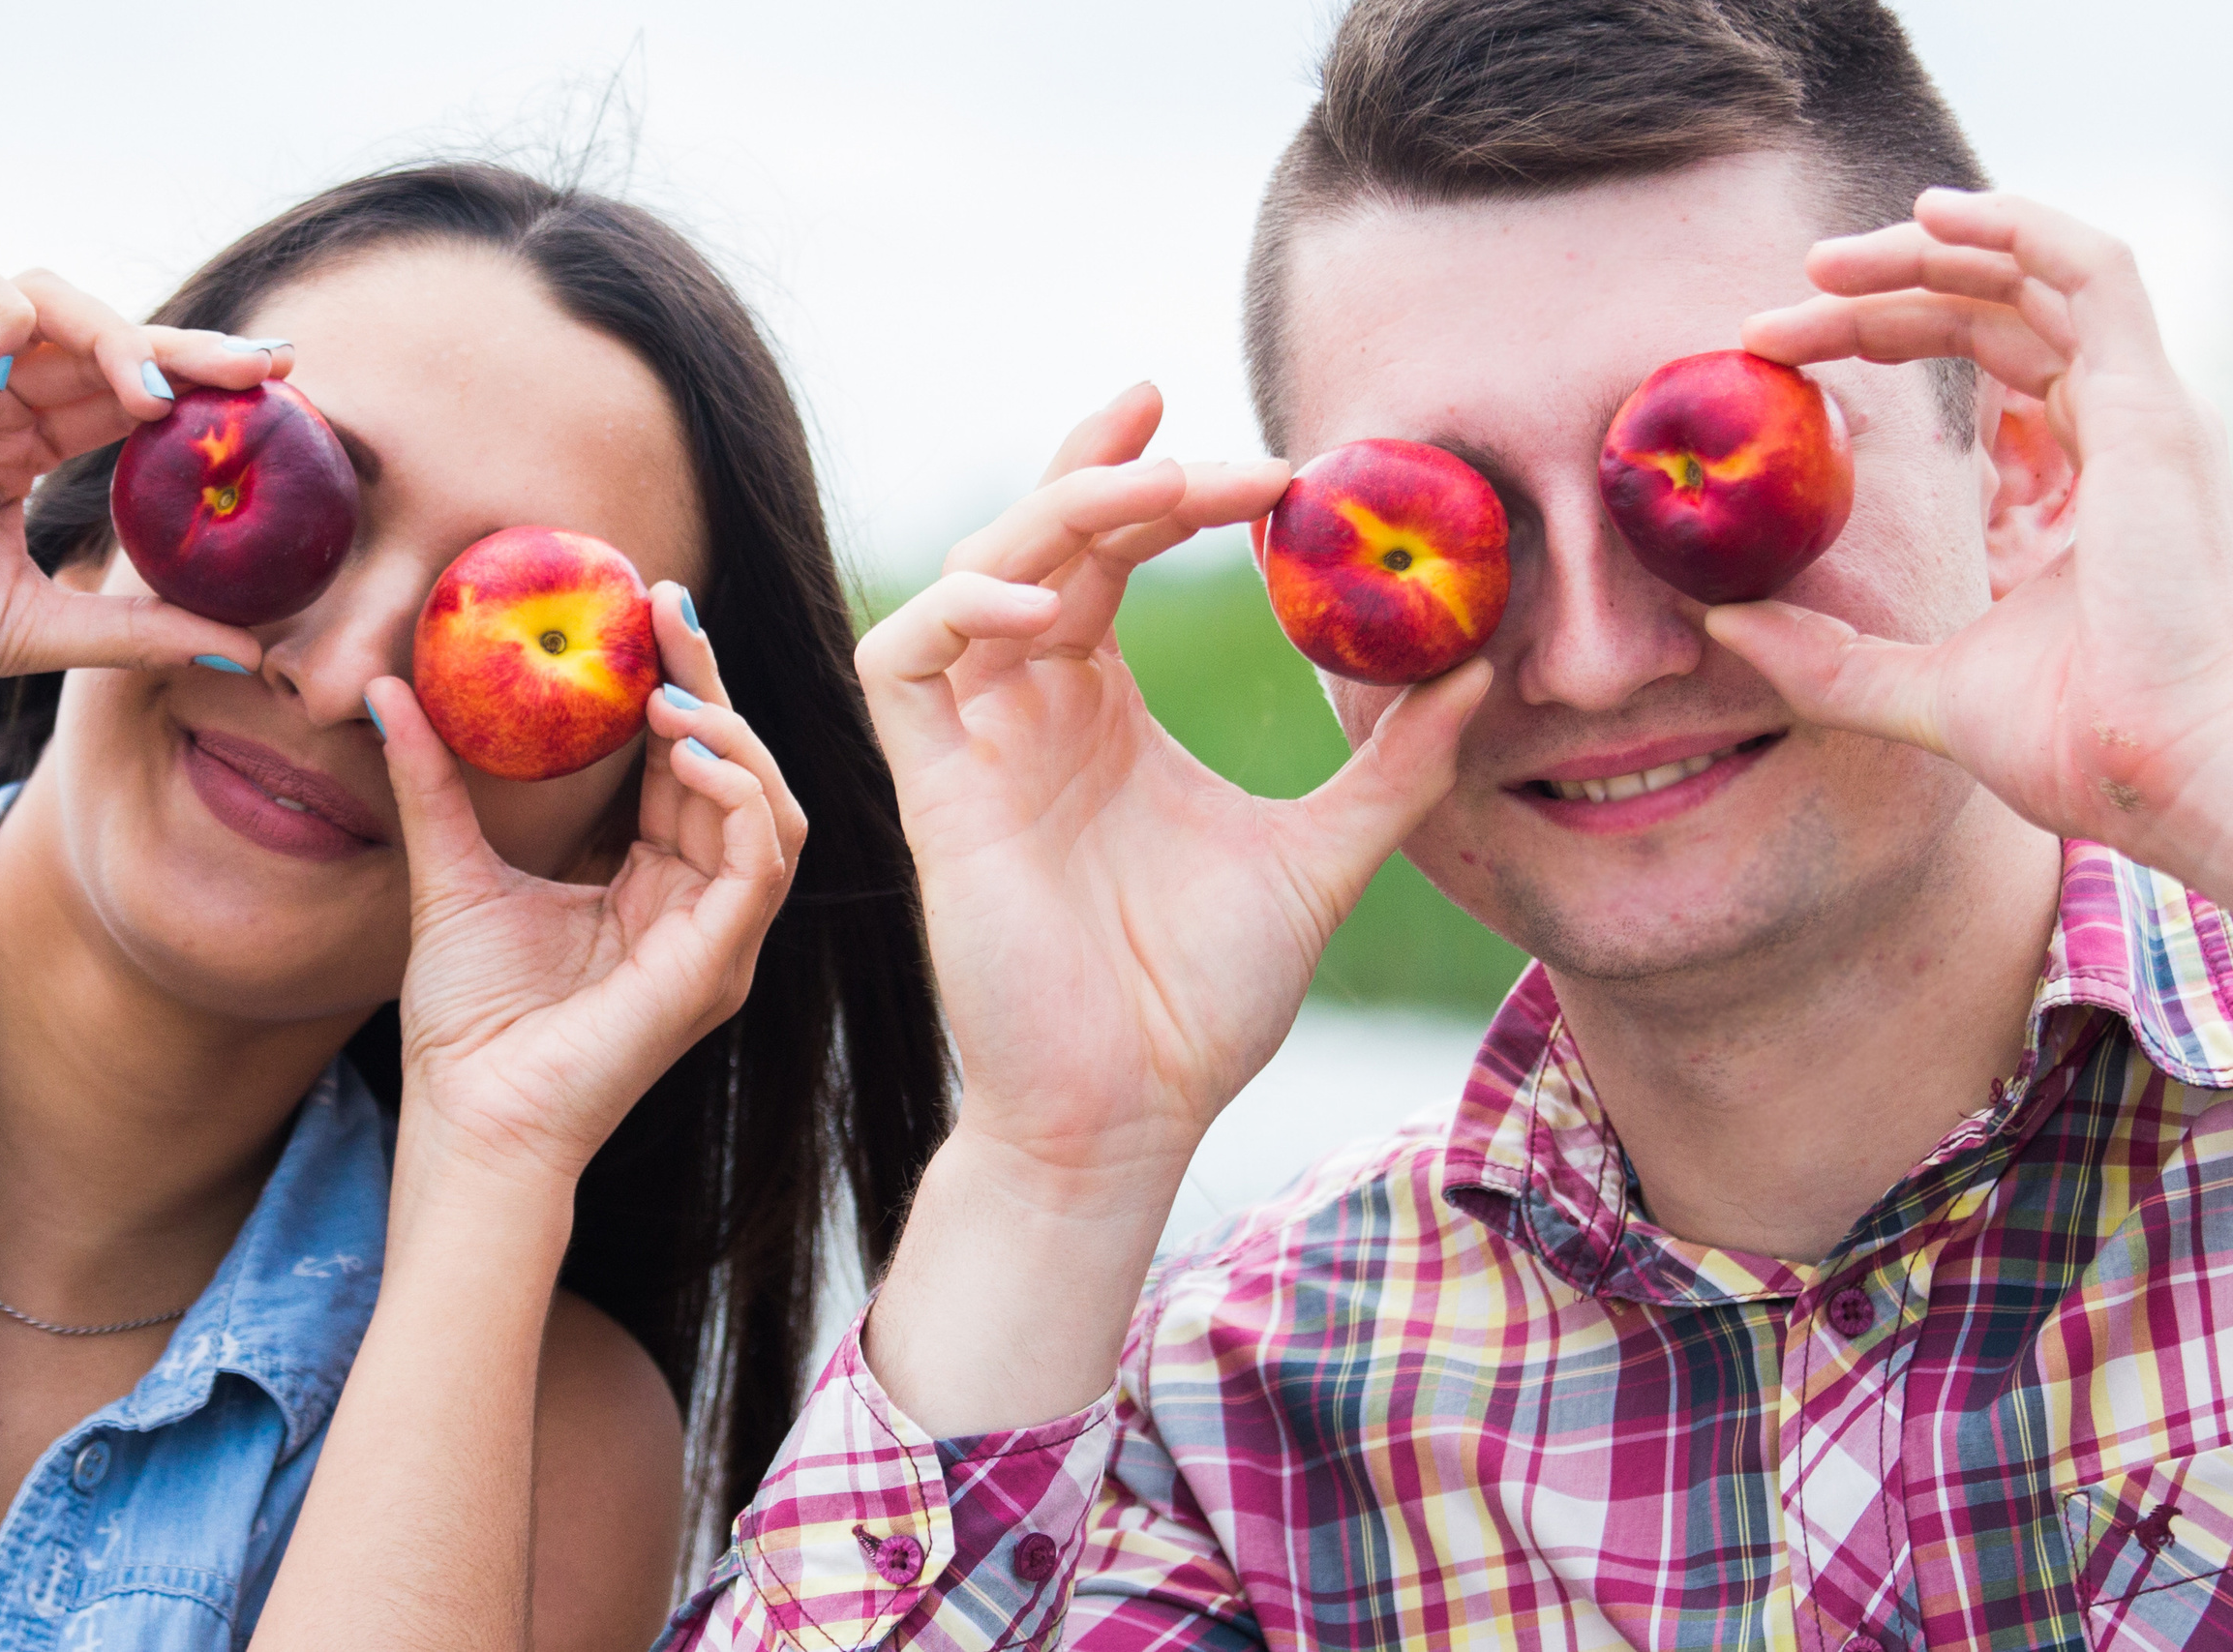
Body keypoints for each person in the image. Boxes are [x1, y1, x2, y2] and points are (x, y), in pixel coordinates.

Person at [651, 1, 2233, 1647]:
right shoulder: (1247, 1432)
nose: (1598, 658)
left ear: (2030, 474)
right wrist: (1056, 1162)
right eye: (1447, 530)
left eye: (1710, 473)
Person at [0, 160, 947, 1650]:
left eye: (505, 629)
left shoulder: (543, 1442)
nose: (332, 684)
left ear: (617, 826)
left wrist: (498, 1148)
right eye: (288, 505)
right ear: (92, 513)